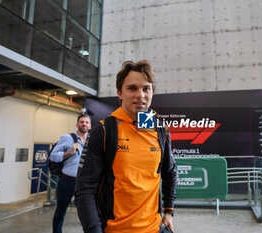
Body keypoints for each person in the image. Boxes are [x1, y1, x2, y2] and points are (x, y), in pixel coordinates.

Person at [75, 60, 177, 233]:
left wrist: (169, 211)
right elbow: (84, 190)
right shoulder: (104, 130)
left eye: (146, 88)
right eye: (132, 88)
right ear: (119, 93)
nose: (140, 95)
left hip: (155, 228)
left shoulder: (160, 129)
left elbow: (170, 172)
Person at [50, 114, 91, 233]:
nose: (84, 124)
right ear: (77, 124)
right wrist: (69, 152)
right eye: (82, 122)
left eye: (87, 122)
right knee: (60, 211)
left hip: (84, 183)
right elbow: (53, 156)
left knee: (87, 213)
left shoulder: (92, 140)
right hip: (67, 181)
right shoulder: (67, 138)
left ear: (90, 125)